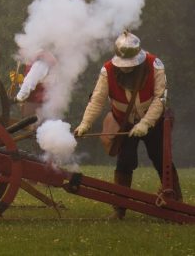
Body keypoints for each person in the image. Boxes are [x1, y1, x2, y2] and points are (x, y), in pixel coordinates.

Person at [74, 30, 182, 219]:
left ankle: (176, 203)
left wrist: (146, 123)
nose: (126, 67)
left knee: (162, 160)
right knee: (124, 162)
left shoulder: (154, 64)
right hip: (123, 122)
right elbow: (97, 100)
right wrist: (85, 124)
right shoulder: (107, 70)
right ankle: (119, 209)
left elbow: (160, 98)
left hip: (153, 121)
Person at [15, 50, 57, 119]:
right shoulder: (40, 57)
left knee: (32, 128)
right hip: (39, 104)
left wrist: (18, 98)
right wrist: (21, 82)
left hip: (37, 105)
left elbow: (30, 82)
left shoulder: (41, 60)